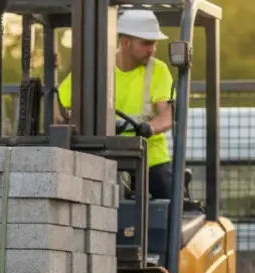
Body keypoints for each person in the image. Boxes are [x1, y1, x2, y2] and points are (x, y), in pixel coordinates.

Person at [57, 9, 175, 200]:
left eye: (154, 43)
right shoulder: (96, 67)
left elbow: (166, 116)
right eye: (146, 43)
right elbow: (58, 104)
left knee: (167, 208)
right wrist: (67, 130)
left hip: (150, 158)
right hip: (105, 155)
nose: (152, 49)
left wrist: (149, 128)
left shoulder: (158, 70)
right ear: (125, 42)